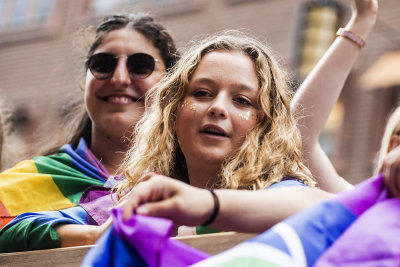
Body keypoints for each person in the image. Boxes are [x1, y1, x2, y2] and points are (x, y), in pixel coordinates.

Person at [0, 13, 178, 249]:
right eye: (103, 64)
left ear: (171, 87)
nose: (119, 78)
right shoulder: (22, 182)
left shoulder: (190, 182)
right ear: (85, 82)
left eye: (140, 66)